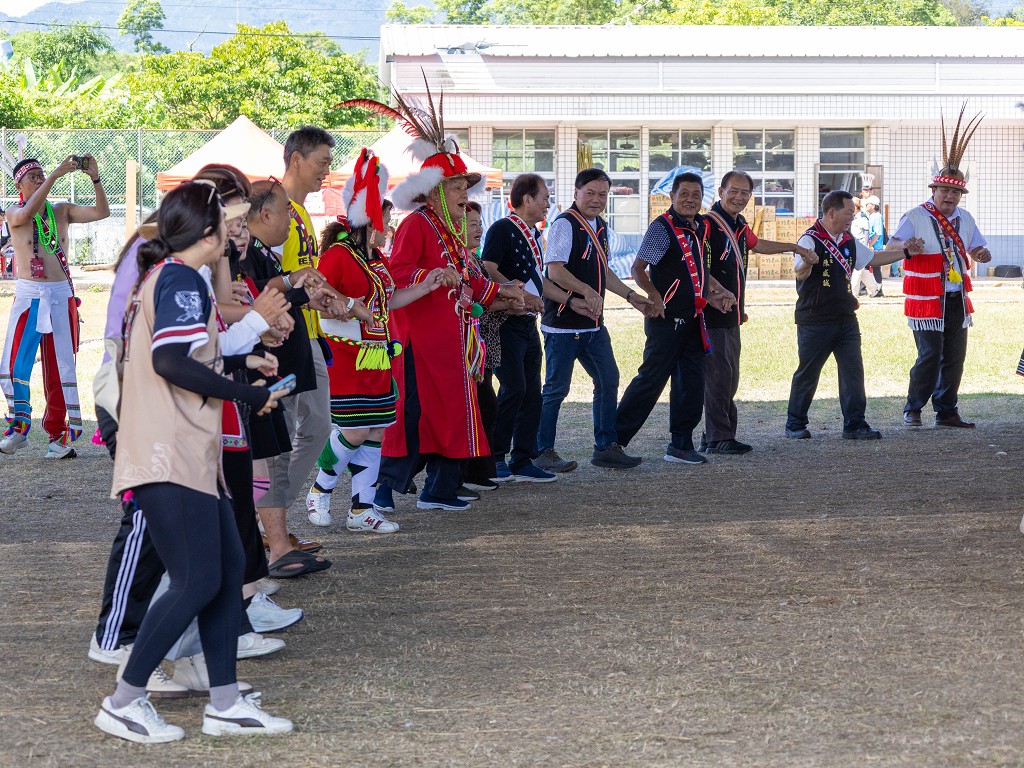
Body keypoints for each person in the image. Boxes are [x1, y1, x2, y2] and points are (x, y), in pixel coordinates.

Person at [94, 181, 292, 743]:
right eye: (229, 219)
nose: (237, 229)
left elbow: (189, 354)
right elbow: (172, 361)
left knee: (228, 572)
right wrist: (248, 395)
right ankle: (125, 699)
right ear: (206, 233)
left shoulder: (176, 278)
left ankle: (224, 703)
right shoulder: (181, 279)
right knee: (197, 578)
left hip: (184, 452)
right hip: (168, 453)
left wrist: (243, 361)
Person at [373, 109, 526, 512]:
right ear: (436, 190)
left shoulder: (452, 233)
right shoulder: (416, 225)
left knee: (453, 416)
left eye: (465, 186)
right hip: (420, 345)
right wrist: (430, 273)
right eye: (457, 186)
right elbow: (397, 272)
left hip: (452, 344)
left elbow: (469, 281)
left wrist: (503, 292)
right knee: (414, 418)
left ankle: (440, 488)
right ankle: (383, 489)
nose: (465, 193)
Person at [306, 150, 454, 527]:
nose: (388, 229)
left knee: (374, 432)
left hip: (377, 356)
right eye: (384, 222)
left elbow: (390, 302)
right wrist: (351, 308)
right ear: (367, 221)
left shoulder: (375, 259)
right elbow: (318, 302)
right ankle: (320, 491)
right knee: (355, 429)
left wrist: (426, 285)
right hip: (348, 356)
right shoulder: (338, 256)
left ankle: (362, 509)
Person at [535, 168, 655, 472]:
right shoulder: (565, 224)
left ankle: (605, 447)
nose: (596, 199)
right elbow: (555, 271)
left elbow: (606, 273)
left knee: (608, 379)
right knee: (556, 389)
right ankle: (541, 451)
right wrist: (587, 290)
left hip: (593, 325)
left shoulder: (600, 226)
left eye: (603, 194)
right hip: (562, 325)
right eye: (590, 192)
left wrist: (631, 296)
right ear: (576, 193)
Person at [259, 126, 337, 578]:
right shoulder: (276, 212)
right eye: (322, 162)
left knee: (315, 425)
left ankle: (275, 525)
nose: (327, 172)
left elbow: (304, 278)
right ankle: (275, 533)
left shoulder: (302, 215)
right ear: (295, 160)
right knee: (284, 434)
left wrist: (327, 298)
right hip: (283, 338)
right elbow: (271, 281)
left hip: (306, 334)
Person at [613, 172, 733, 465]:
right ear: (672, 197)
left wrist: (716, 291)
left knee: (690, 383)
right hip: (665, 319)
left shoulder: (701, 227)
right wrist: (653, 295)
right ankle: (612, 442)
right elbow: (639, 269)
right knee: (651, 381)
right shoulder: (661, 227)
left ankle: (680, 444)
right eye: (684, 194)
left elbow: (698, 271)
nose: (690, 199)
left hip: (693, 318)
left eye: (696, 194)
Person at [784, 190, 921, 441]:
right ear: (832, 212)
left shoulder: (847, 240)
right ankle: (795, 423)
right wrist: (807, 262)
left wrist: (906, 252)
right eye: (849, 212)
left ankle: (855, 423)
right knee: (808, 372)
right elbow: (799, 273)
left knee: (853, 371)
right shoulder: (809, 239)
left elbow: (874, 258)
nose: (852, 216)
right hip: (814, 319)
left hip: (846, 318)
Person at [887, 106, 991, 428]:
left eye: (956, 192)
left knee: (955, 357)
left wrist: (981, 253)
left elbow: (976, 246)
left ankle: (947, 411)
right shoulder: (916, 216)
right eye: (945, 190)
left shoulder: (966, 218)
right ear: (933, 190)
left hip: (956, 294)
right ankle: (913, 407)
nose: (950, 196)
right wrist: (907, 248)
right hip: (925, 297)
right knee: (929, 355)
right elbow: (890, 247)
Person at [699, 170, 816, 455]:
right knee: (719, 377)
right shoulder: (707, 224)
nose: (739, 197)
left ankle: (717, 435)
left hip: (732, 313)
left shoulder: (738, 223)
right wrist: (715, 293)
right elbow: (700, 267)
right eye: (734, 191)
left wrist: (792, 247)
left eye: (745, 193)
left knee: (730, 376)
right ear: (720, 191)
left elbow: (758, 244)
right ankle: (717, 438)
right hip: (712, 313)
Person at [1, 155, 109, 457]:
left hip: (60, 296)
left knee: (60, 368)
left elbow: (103, 211)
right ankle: (19, 427)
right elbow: (28, 211)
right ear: (18, 184)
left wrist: (95, 178)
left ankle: (57, 437)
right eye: (32, 175)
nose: (38, 178)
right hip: (28, 296)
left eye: (41, 173)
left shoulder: (61, 210)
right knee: (13, 366)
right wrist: (56, 175)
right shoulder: (14, 212)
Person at [482, 173, 566, 483]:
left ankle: (523, 457)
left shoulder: (533, 233)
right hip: (505, 321)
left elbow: (539, 280)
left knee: (532, 391)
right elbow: (488, 267)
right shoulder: (503, 228)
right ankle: (495, 457)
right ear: (527, 199)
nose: (548, 203)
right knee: (514, 387)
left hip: (528, 323)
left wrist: (569, 300)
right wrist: (520, 294)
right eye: (544, 197)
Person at [849, 197, 879, 299]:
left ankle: (853, 293)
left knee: (857, 271)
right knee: (863, 271)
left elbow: (866, 233)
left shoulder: (862, 218)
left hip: (861, 247)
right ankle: (874, 289)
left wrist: (866, 247)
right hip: (856, 246)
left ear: (855, 207)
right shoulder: (855, 217)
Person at [865, 195, 885, 297]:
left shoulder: (876, 216)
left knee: (875, 268)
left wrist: (869, 244)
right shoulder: (873, 216)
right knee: (867, 267)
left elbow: (877, 233)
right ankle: (869, 288)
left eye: (867, 204)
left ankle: (878, 289)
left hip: (875, 246)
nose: (866, 206)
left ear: (873, 206)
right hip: (872, 245)